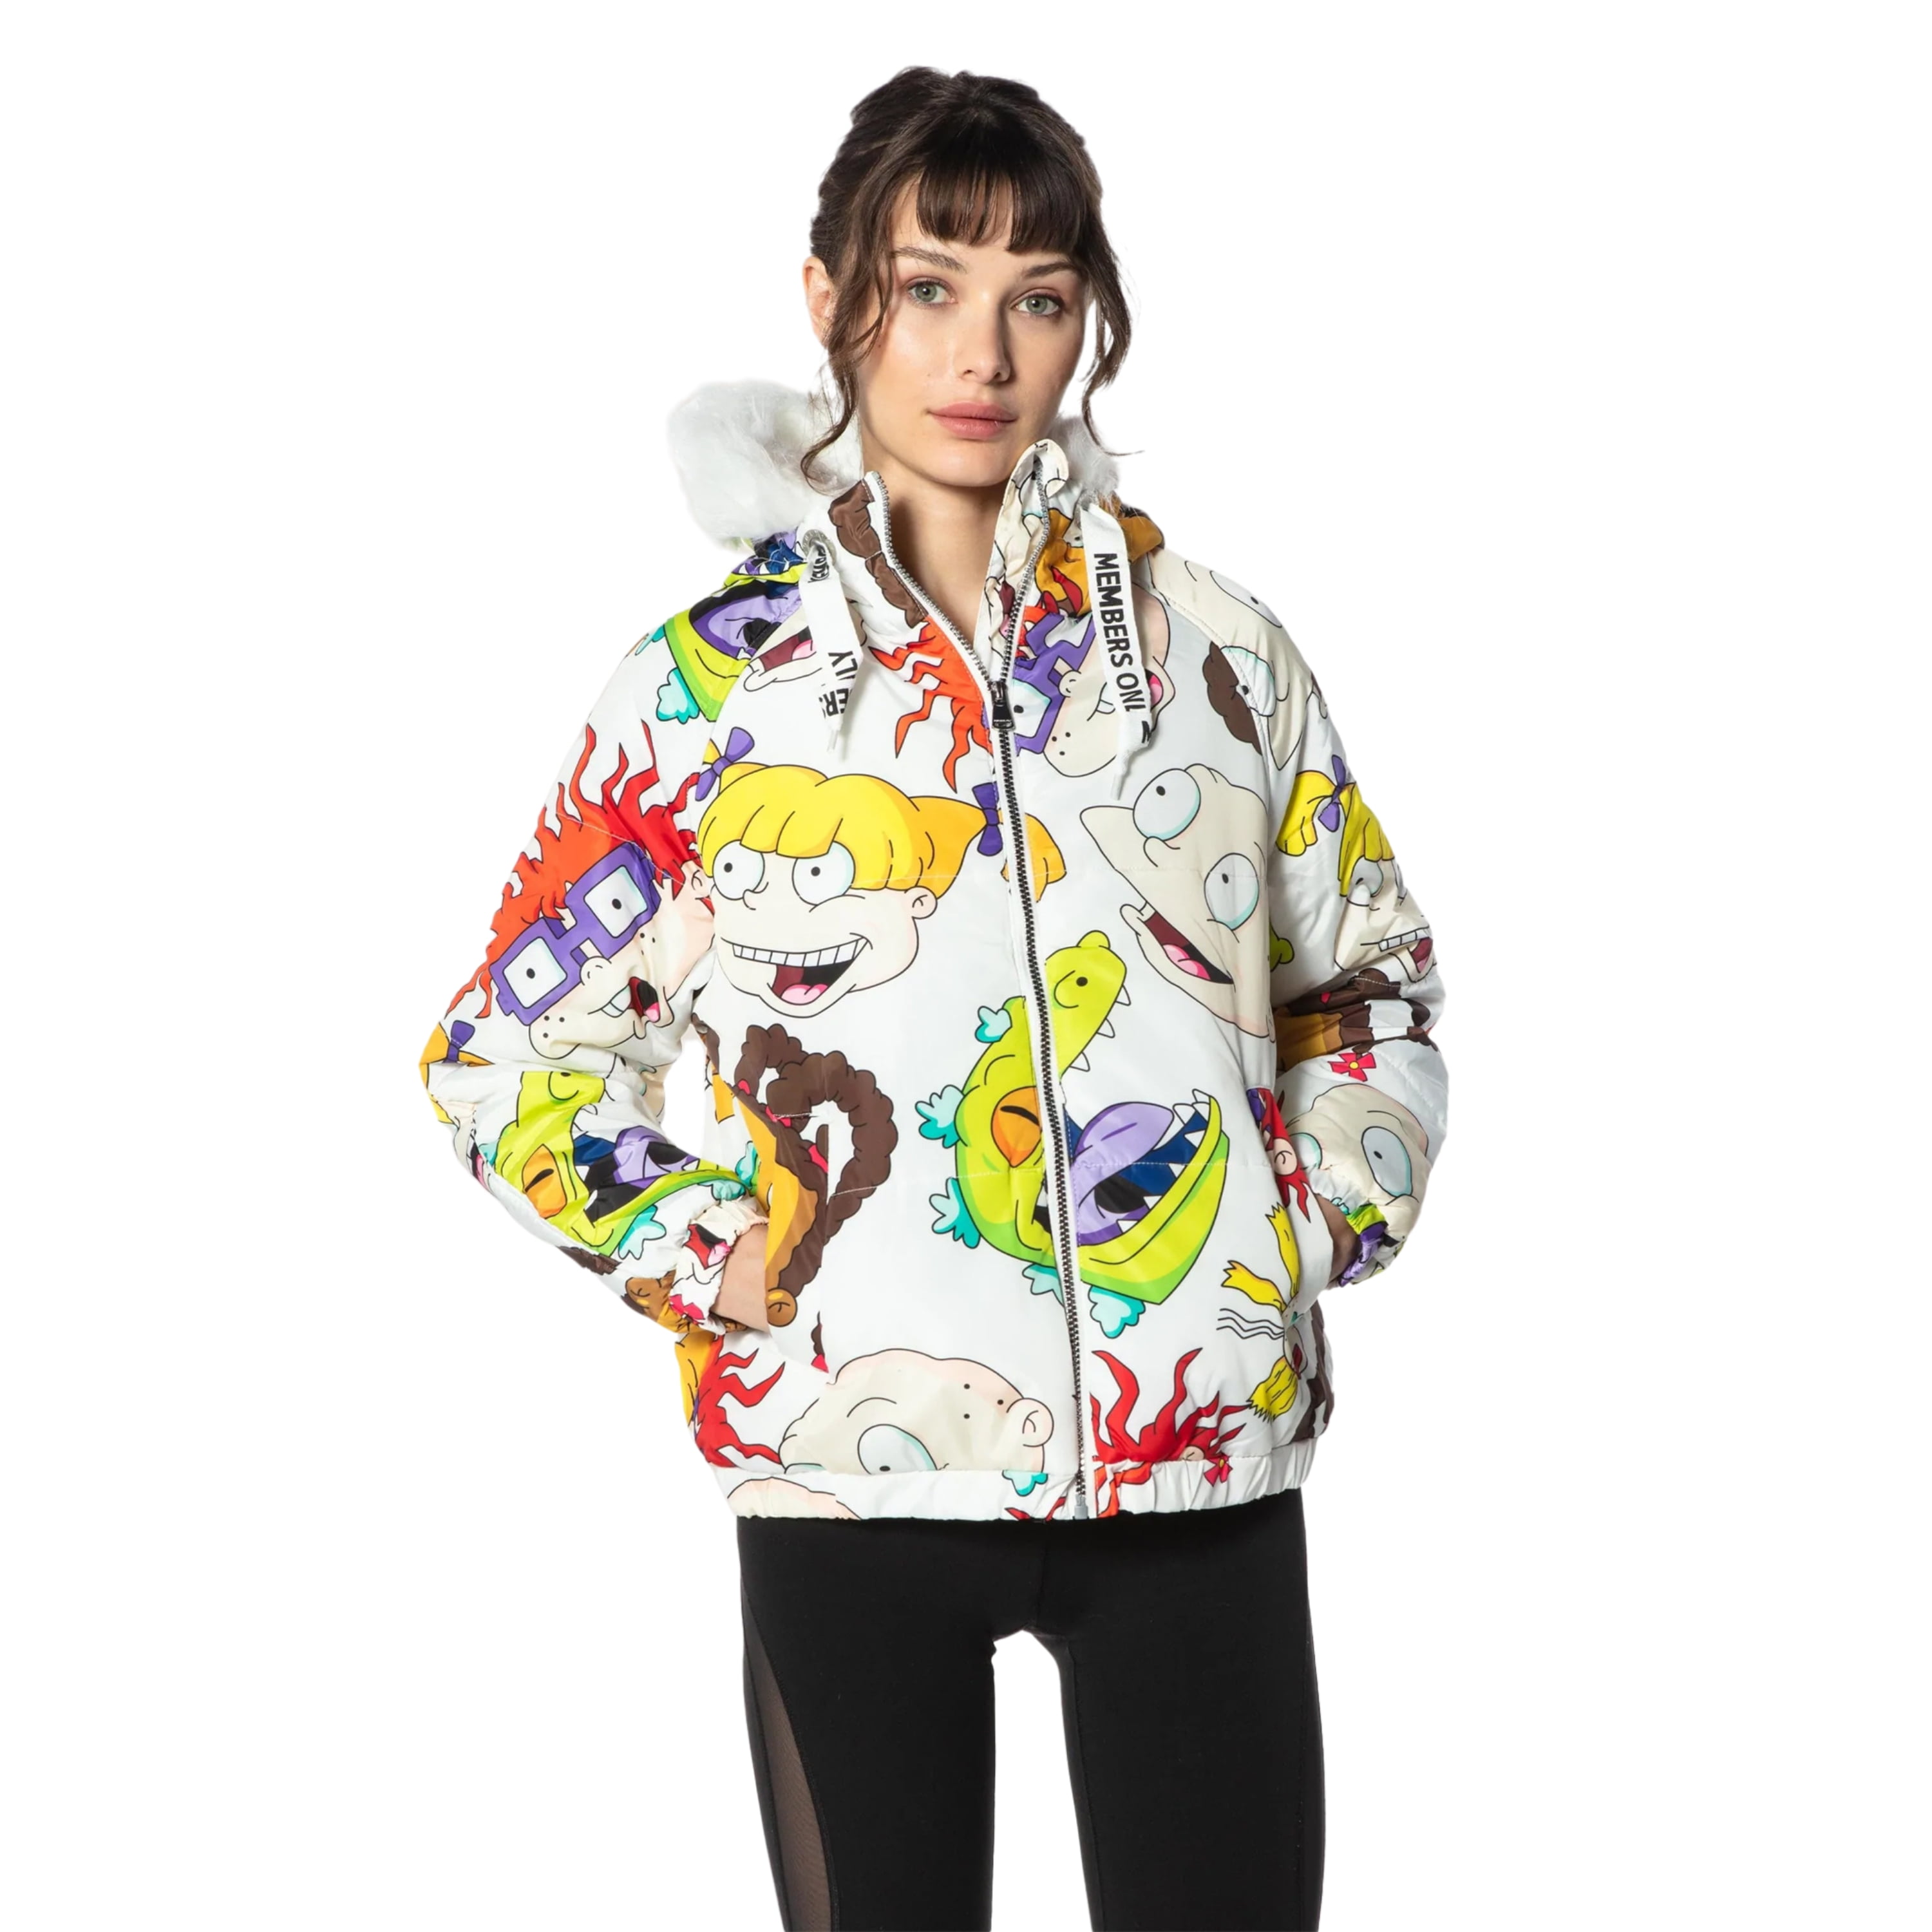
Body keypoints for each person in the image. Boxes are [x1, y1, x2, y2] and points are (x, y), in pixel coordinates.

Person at [417, 66, 1448, 1932]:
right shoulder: (704, 693)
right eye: (928, 287)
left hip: (1194, 1468)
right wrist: (723, 1250)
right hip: (848, 1479)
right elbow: (506, 1057)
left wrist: (1298, 1224)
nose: (984, 353)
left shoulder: (1217, 653)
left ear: (1088, 321)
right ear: (830, 299)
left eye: (1039, 296)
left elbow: (1362, 992)